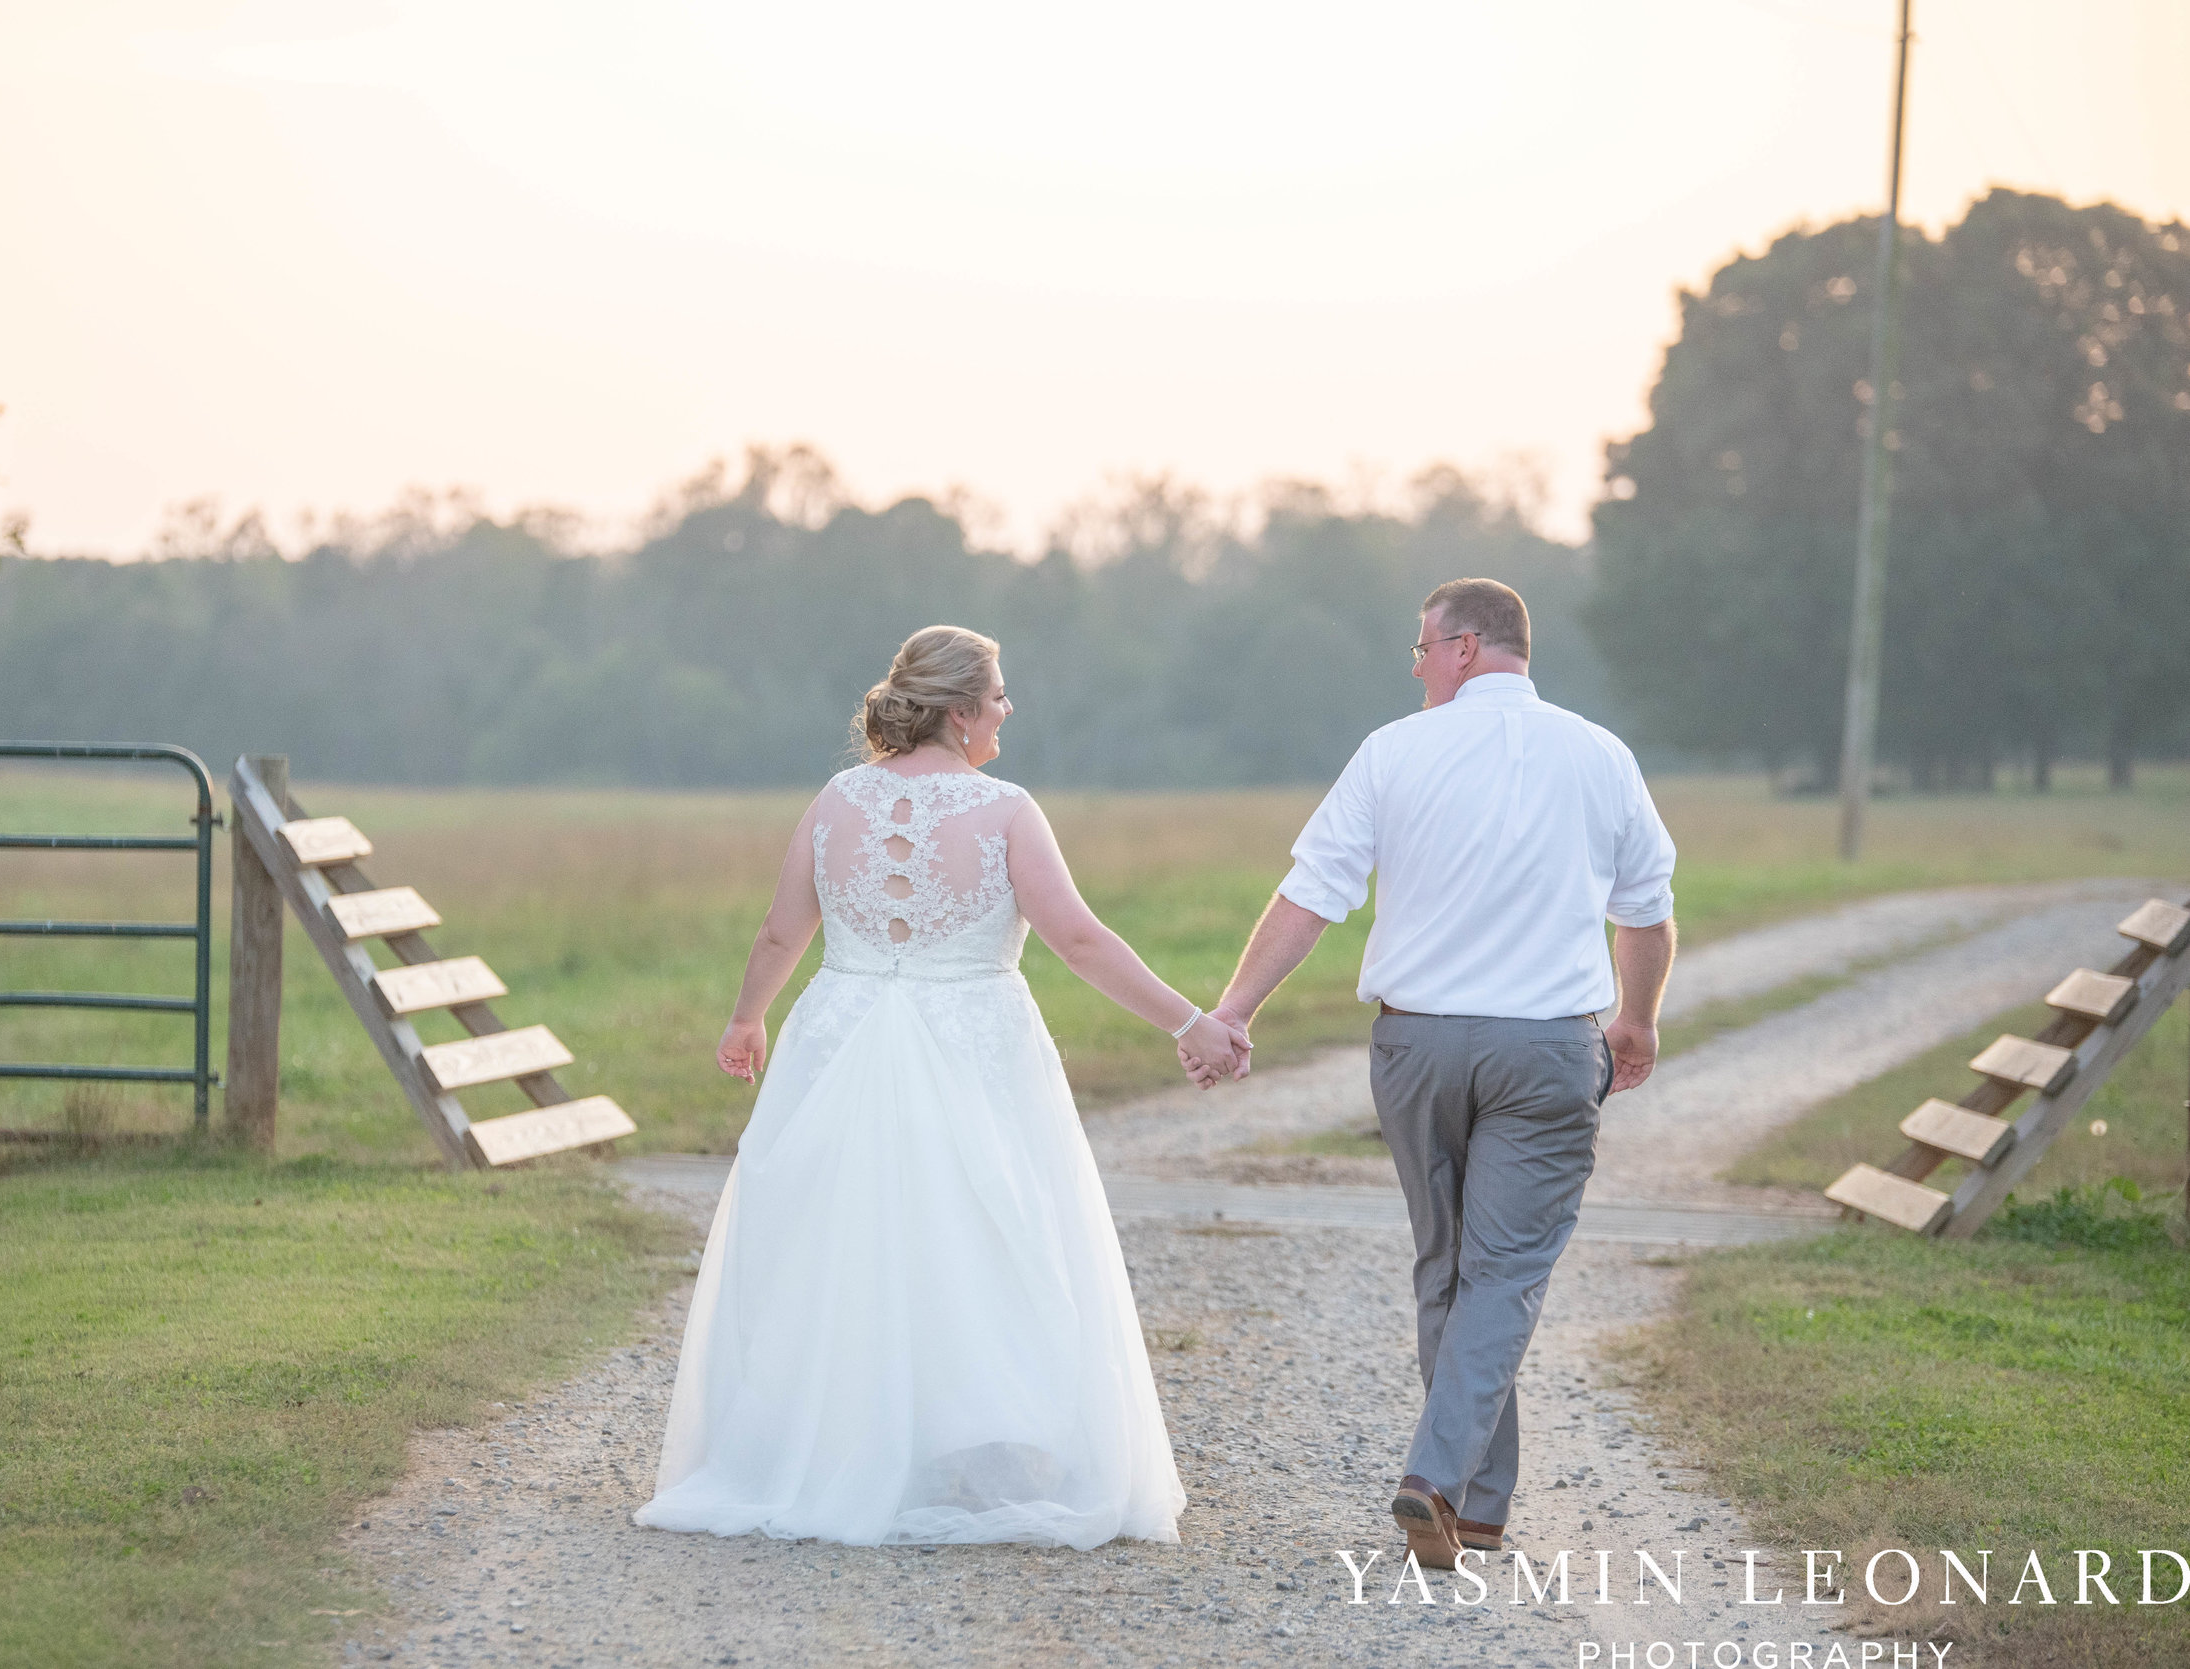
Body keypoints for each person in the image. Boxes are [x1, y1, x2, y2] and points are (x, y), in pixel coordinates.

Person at [634, 624, 1241, 1548]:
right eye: (998, 696)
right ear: (960, 713)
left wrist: (746, 1017)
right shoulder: (1004, 809)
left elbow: (779, 930)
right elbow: (1077, 938)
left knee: (842, 1237)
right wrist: (1190, 1022)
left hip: (841, 1035)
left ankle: (832, 1445)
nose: (1006, 710)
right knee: (984, 1230)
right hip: (971, 1039)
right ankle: (964, 1451)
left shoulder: (837, 800)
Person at [1189, 578, 1677, 1569]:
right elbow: (1646, 912)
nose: (1412, 665)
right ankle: (1439, 1480)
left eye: (1419, 646)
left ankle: (1473, 1501)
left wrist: (1234, 1010)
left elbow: (1310, 894)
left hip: (1414, 1045)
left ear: (1462, 646)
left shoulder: (1391, 752)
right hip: (1545, 1047)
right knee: (1503, 1271)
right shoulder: (1600, 755)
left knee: (1446, 1264)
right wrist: (1636, 1019)